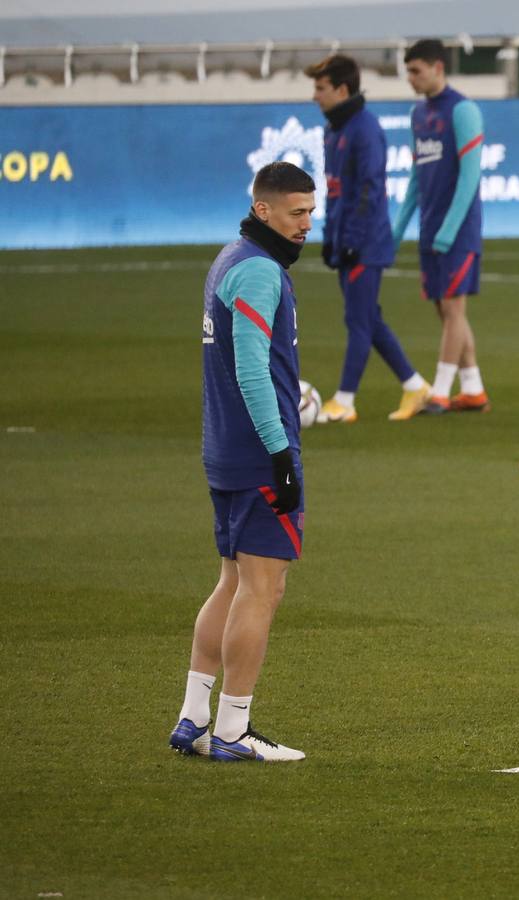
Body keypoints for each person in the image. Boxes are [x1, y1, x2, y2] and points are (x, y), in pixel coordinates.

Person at [167, 161, 314, 762]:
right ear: (264, 210)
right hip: (257, 452)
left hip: (224, 448)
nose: (307, 224)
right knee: (263, 588)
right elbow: (251, 367)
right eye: (296, 212)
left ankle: (193, 718)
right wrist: (280, 452)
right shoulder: (259, 272)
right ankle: (232, 730)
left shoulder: (229, 258)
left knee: (231, 581)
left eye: (311, 211)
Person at [305, 54, 431, 424]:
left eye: (321, 88)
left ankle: (344, 401)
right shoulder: (333, 131)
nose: (315, 96)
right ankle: (415, 386)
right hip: (347, 240)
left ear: (342, 90)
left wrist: (353, 240)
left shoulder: (365, 129)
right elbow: (334, 193)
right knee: (368, 319)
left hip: (367, 244)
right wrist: (330, 237)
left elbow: (370, 192)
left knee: (357, 320)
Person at [395, 38, 490, 414]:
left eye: (415, 70)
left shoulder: (463, 110)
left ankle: (439, 392)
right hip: (429, 228)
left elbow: (470, 175)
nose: (410, 78)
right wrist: (398, 228)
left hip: (456, 231)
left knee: (453, 309)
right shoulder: (418, 115)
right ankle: (473, 389)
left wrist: (450, 229)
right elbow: (417, 179)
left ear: (438, 67)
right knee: (445, 309)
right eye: (408, 71)